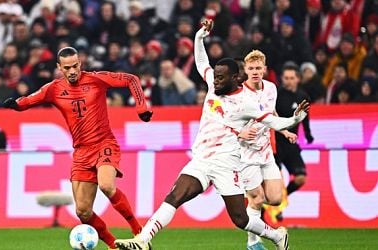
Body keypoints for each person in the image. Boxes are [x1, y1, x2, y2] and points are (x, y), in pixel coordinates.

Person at [115, 20, 309, 250]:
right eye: (215, 76)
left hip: (227, 166)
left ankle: (277, 236)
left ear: (237, 78)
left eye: (220, 77)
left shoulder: (246, 103)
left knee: (241, 219)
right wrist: (199, 37)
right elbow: (201, 62)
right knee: (174, 197)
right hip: (202, 160)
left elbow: (273, 121)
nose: (215, 80)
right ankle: (143, 241)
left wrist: (295, 119)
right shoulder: (212, 85)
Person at [3, 47, 153, 250]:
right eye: (67, 67)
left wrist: (141, 106)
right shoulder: (54, 89)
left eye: (75, 66)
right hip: (81, 152)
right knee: (82, 212)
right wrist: (17, 105)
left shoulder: (96, 79)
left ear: (80, 64)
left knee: (107, 185)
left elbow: (131, 79)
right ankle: (113, 246)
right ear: (59, 68)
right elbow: (30, 100)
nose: (72, 71)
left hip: (104, 144)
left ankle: (139, 232)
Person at [237, 50, 298, 250]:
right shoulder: (238, 93)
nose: (255, 72)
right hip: (246, 155)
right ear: (245, 70)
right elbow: (226, 120)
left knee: (275, 198)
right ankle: (253, 242)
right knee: (257, 198)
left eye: (258, 68)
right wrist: (240, 134)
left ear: (265, 69)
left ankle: (256, 237)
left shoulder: (271, 88)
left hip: (266, 153)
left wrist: (285, 131)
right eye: (251, 68)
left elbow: (271, 112)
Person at [274, 64, 314, 221]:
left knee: (301, 178)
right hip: (276, 143)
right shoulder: (276, 95)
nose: (289, 81)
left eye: (292, 78)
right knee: (274, 181)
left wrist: (308, 133)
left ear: (298, 79)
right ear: (282, 79)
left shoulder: (303, 96)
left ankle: (281, 199)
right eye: (286, 78)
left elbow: (305, 117)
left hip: (291, 143)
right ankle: (272, 210)